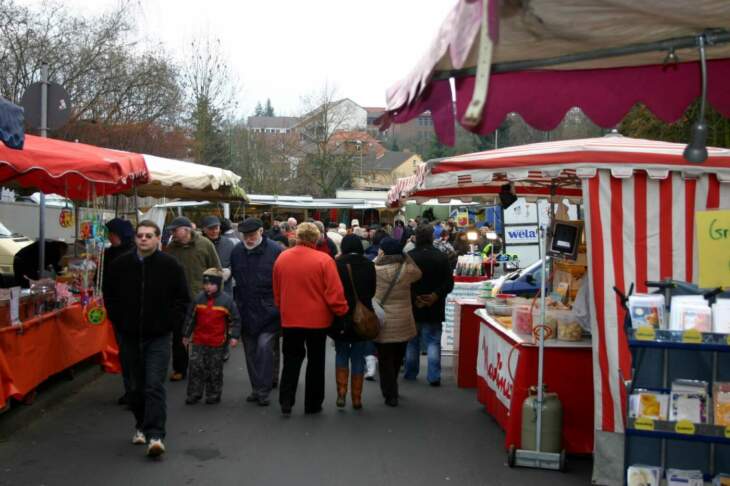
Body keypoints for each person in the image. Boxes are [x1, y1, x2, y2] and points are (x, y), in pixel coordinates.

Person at [105, 220, 190, 458]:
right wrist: (119, 321)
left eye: (149, 235)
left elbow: (182, 299)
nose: (144, 239)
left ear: (157, 238)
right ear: (135, 238)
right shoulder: (120, 265)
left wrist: (170, 323)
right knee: (134, 386)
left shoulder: (170, 265)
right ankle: (141, 425)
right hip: (128, 335)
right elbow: (109, 295)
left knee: (154, 384)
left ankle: (156, 435)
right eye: (140, 235)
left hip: (158, 336)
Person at [273, 222, 349, 416]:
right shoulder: (324, 260)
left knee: (291, 360)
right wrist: (342, 311)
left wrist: (282, 308)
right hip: (318, 320)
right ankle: (312, 403)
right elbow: (334, 293)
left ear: (297, 237)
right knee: (316, 362)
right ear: (315, 239)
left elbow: (277, 289)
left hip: (290, 319)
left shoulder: (282, 258)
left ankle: (286, 400)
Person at [230, 218, 283, 406]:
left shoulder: (277, 251)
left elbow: (284, 283)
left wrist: (279, 308)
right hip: (245, 311)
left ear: (261, 231)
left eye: (252, 235)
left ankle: (263, 389)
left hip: (270, 313)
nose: (249, 239)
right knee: (251, 353)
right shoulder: (237, 252)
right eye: (245, 236)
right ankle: (257, 388)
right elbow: (235, 280)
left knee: (264, 349)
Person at [164, 217, 221, 382]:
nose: (172, 233)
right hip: (178, 299)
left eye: (175, 230)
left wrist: (217, 298)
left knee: (203, 335)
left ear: (186, 230)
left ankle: (205, 367)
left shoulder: (205, 244)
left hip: (202, 297)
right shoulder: (171, 248)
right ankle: (180, 368)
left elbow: (216, 269)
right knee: (179, 335)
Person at [373, 237, 422, 407]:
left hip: (383, 320)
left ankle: (390, 394)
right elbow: (418, 273)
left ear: (383, 251)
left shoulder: (375, 269)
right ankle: (393, 386)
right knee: (397, 356)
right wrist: (405, 256)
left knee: (385, 358)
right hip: (402, 320)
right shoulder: (407, 270)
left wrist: (379, 256)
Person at [404, 225, 455, 386]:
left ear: (416, 238)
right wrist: (435, 295)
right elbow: (449, 283)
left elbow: (404, 283)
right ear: (432, 238)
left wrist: (416, 297)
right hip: (435, 306)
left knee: (412, 341)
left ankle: (411, 373)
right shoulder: (441, 257)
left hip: (414, 306)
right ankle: (433, 376)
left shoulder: (409, 257)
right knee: (433, 341)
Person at [182, 268, 241, 405]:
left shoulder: (226, 301)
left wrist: (234, 336)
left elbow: (235, 319)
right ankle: (194, 393)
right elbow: (190, 318)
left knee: (214, 369)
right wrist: (186, 334)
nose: (208, 286)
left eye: (211, 284)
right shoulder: (198, 299)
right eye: (205, 283)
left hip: (217, 342)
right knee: (195, 367)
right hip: (198, 340)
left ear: (218, 284)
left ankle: (213, 394)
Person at [330, 234, 376, 409]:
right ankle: (357, 398)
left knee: (341, 353)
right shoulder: (369, 265)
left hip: (341, 315)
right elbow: (372, 291)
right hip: (362, 316)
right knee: (358, 356)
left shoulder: (336, 265)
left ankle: (341, 393)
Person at [102, 218, 135, 406]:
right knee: (125, 353)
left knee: (133, 354)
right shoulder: (108, 254)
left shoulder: (134, 254)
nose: (110, 238)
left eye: (112, 234)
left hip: (134, 311)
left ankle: (136, 391)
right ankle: (129, 390)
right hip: (117, 312)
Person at [200, 216, 236, 295]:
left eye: (216, 228)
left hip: (225, 289)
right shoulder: (199, 245)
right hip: (205, 289)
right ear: (204, 230)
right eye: (211, 229)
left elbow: (236, 263)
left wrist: (229, 271)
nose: (214, 231)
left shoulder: (229, 243)